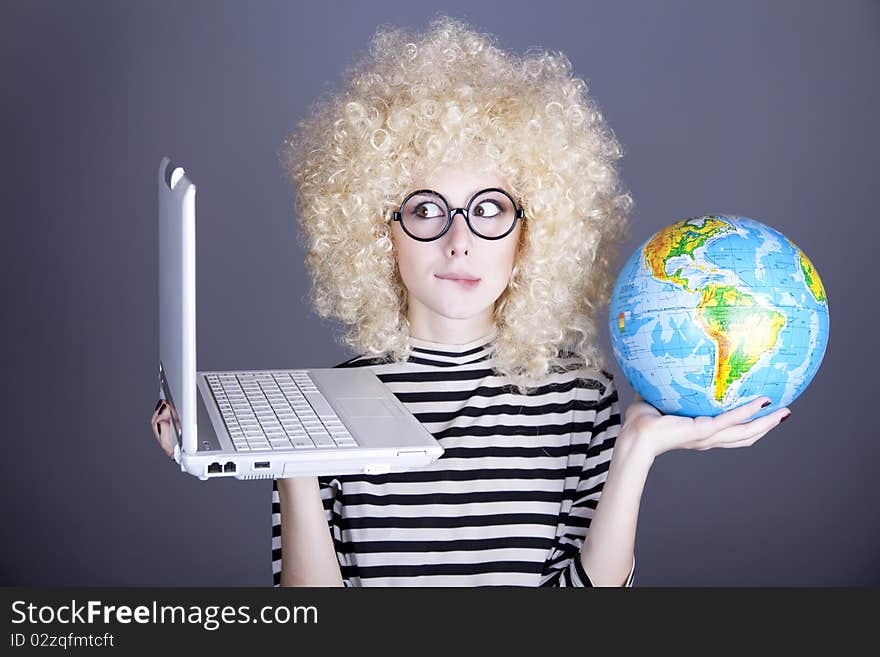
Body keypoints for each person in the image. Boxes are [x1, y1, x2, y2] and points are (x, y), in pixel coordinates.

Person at [150, 15, 790, 587]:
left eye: (489, 209)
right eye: (427, 210)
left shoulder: (579, 400)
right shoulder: (323, 407)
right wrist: (289, 457)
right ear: (380, 233)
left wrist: (635, 450)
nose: (460, 243)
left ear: (530, 234)